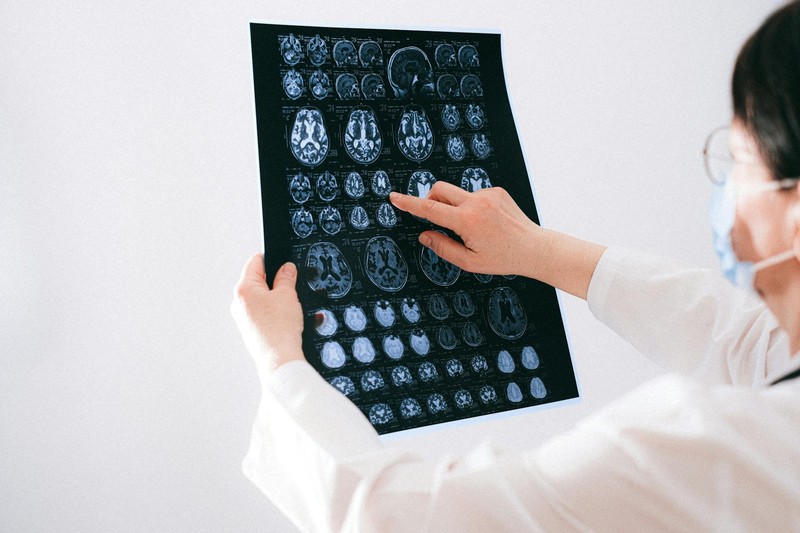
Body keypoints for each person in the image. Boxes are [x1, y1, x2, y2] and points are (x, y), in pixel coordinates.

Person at [231, 2, 800, 530]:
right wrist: (536, 250)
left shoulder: (709, 453)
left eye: (737, 158)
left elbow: (399, 517)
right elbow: (744, 340)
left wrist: (282, 363)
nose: (726, 183)